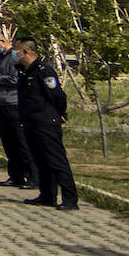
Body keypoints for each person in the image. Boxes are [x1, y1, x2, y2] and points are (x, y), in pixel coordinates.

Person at [15, 39, 79, 210]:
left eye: (17, 50)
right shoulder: (24, 71)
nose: (15, 54)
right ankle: (47, 195)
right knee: (41, 160)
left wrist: (60, 113)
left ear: (26, 52)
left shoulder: (44, 71)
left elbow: (57, 95)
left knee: (56, 161)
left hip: (46, 122)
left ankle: (70, 199)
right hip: (30, 122)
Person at [0, 29, 33, 189]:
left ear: (2, 41)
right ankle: (16, 175)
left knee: (20, 141)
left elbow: (14, 80)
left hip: (12, 104)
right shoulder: (0, 57)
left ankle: (32, 176)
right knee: (8, 142)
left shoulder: (14, 57)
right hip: (0, 104)